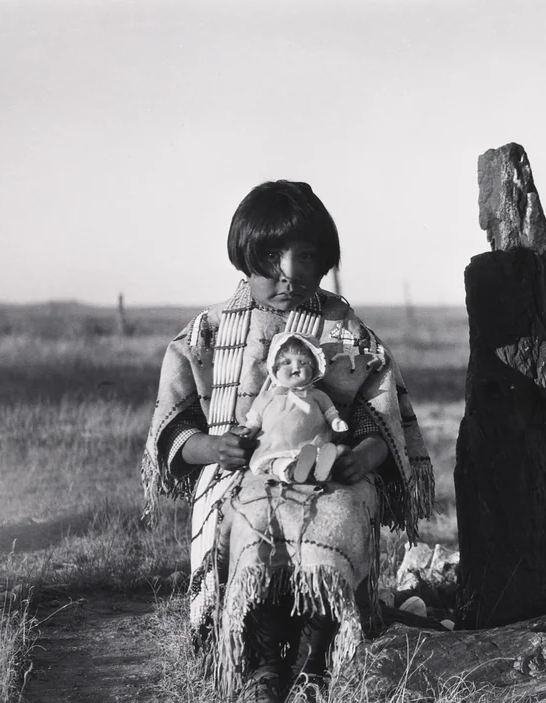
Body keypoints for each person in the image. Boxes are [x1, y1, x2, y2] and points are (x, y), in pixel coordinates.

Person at [140, 180, 434, 702]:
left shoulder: (347, 333)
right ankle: (261, 662)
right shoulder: (208, 333)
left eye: (307, 257)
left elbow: (380, 420)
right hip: (239, 473)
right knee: (252, 522)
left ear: (325, 261)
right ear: (244, 257)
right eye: (272, 257)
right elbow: (173, 426)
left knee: (335, 520)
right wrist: (214, 449)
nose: (289, 273)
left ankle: (320, 658)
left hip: (330, 473)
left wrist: (361, 457)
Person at [245, 331, 349, 484]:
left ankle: (320, 467)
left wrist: (336, 421)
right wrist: (246, 434)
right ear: (274, 368)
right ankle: (290, 470)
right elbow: (254, 422)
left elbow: (330, 412)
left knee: (316, 451)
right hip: (274, 445)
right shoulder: (267, 397)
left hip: (311, 443)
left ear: (314, 369)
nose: (296, 367)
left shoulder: (317, 395)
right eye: (287, 362)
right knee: (276, 462)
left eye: (304, 363)